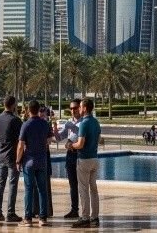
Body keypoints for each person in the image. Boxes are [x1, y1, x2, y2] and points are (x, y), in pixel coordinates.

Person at [16, 100, 52, 227]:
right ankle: (43, 218)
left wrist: (18, 160)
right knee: (42, 190)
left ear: (28, 110)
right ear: (38, 110)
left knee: (29, 190)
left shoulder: (25, 125)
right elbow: (49, 140)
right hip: (42, 161)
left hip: (29, 162)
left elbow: (21, 145)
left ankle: (28, 218)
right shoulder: (45, 124)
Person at [68, 98, 101, 228]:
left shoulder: (84, 123)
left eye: (80, 107)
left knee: (83, 189)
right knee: (94, 189)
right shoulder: (96, 122)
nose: (79, 109)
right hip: (94, 159)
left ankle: (85, 217)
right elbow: (98, 140)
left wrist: (71, 145)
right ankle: (95, 217)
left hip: (84, 159)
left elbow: (80, 144)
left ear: (85, 108)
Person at [0, 96, 23, 223]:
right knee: (12, 185)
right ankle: (10, 213)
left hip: (1, 155)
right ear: (13, 105)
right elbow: (21, 139)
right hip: (12, 156)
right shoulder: (15, 120)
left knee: (0, 184)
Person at [57, 98, 81, 219]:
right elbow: (59, 138)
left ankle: (87, 211)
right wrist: (55, 130)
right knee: (72, 184)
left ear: (80, 108)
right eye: (71, 108)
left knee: (82, 184)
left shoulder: (84, 123)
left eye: (75, 108)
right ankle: (74, 209)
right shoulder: (68, 123)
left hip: (80, 155)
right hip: (70, 156)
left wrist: (72, 144)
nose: (73, 110)